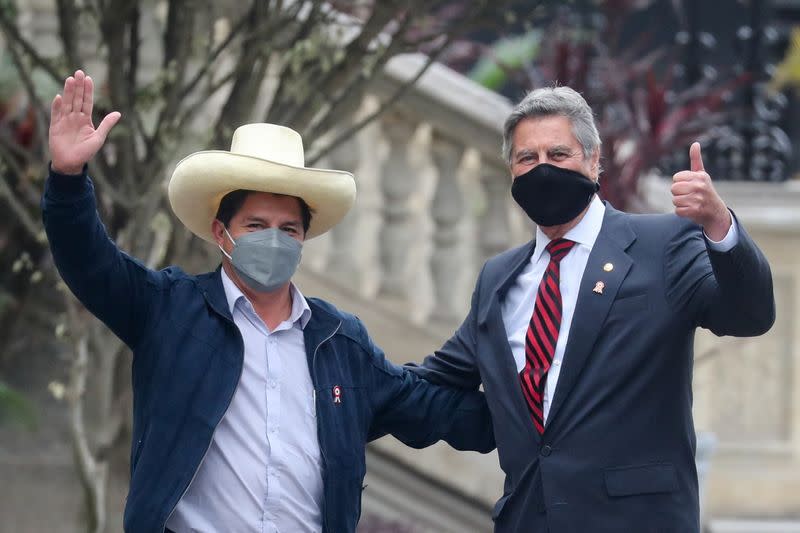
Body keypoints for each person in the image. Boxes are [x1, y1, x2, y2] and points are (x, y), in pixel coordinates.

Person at [42, 70, 494, 533]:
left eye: (289, 229)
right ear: (222, 232)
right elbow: (89, 262)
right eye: (256, 226)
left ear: (303, 240)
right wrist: (68, 177)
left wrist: (540, 411)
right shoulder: (171, 310)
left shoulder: (341, 342)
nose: (274, 241)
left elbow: (431, 410)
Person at [409, 86, 775, 532]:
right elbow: (433, 385)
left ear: (593, 159)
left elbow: (749, 315)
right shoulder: (499, 279)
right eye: (528, 158)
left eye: (558, 153)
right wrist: (343, 379)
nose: (542, 168)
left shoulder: (663, 245)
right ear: (511, 170)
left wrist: (719, 224)